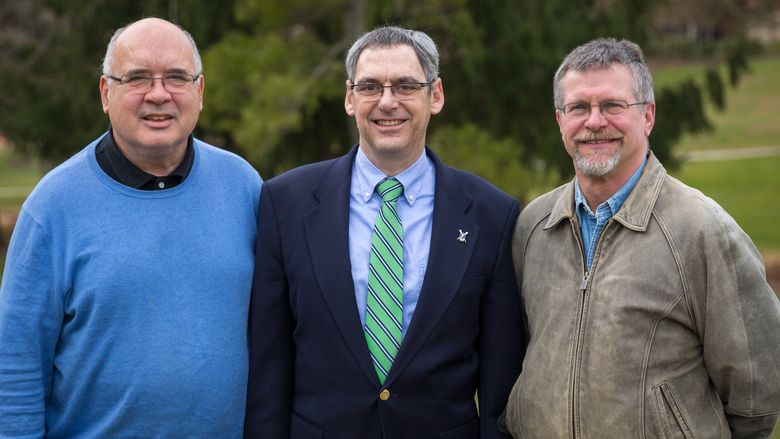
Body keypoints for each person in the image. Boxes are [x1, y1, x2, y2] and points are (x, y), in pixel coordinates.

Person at [244, 26, 525, 439]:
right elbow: (269, 365)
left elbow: (500, 384)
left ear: (436, 95)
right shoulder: (285, 203)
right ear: (349, 97)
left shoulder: (492, 214)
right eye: (371, 86)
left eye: (406, 86)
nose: (387, 102)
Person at [503, 38, 780, 438]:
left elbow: (758, 397)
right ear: (560, 120)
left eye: (613, 106)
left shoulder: (703, 230)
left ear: (647, 116)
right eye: (578, 107)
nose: (594, 121)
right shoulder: (533, 226)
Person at [0, 18, 261, 437]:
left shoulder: (244, 187)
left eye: (176, 77)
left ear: (200, 91)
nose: (158, 95)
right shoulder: (52, 208)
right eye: (138, 78)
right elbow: (15, 365)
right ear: (107, 92)